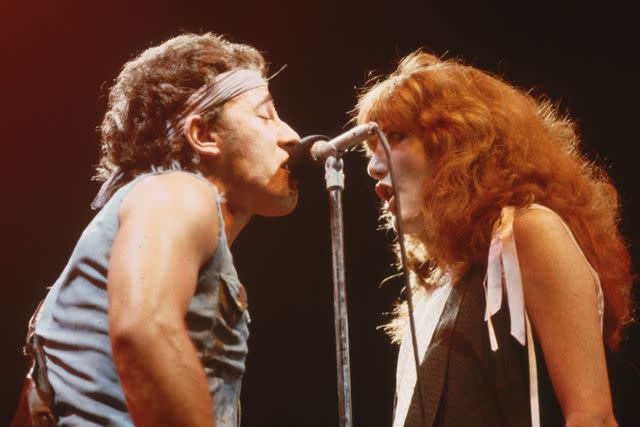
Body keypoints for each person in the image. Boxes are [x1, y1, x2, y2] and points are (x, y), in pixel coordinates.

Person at [12, 33, 300, 426]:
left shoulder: (156, 209)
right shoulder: (177, 191)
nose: (291, 136)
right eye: (265, 115)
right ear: (202, 135)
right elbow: (143, 328)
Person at [354, 51, 634, 426]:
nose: (373, 165)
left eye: (395, 137)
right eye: (370, 148)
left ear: (458, 141)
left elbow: (593, 417)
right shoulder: (436, 291)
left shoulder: (528, 231)